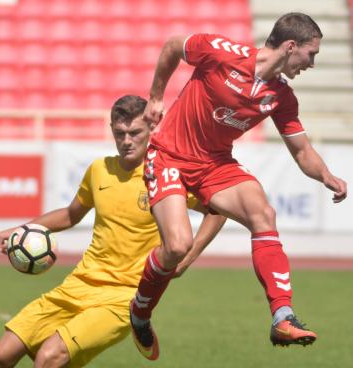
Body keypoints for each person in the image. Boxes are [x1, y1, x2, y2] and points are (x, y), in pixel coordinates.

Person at [129, 12, 348, 360]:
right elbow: (173, 46)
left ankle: (282, 315)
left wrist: (327, 176)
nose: (312, 63)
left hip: (215, 164)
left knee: (263, 214)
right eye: (311, 54)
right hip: (169, 155)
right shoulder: (222, 53)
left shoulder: (281, 96)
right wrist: (156, 96)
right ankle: (140, 311)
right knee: (177, 246)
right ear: (291, 46)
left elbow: (302, 150)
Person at [0, 95, 227, 367]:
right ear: (111, 128)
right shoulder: (99, 170)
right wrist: (24, 228)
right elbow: (70, 214)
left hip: (125, 296)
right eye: (120, 133)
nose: (127, 141)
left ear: (151, 128)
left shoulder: (167, 174)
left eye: (134, 132)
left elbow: (217, 211)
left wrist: (187, 257)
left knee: (48, 358)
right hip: (78, 284)